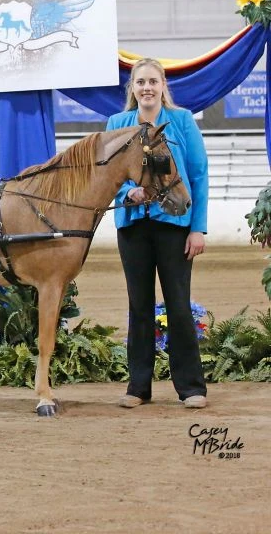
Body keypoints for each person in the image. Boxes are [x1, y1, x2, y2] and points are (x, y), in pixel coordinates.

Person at [106, 58, 209, 410]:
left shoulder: (181, 121)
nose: (147, 88)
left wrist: (198, 228)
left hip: (175, 228)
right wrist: (127, 195)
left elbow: (198, 175)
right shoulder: (117, 124)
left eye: (153, 81)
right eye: (140, 82)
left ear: (163, 84)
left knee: (179, 306)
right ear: (132, 88)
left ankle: (191, 387)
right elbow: (110, 178)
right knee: (139, 306)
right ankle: (138, 387)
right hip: (133, 227)